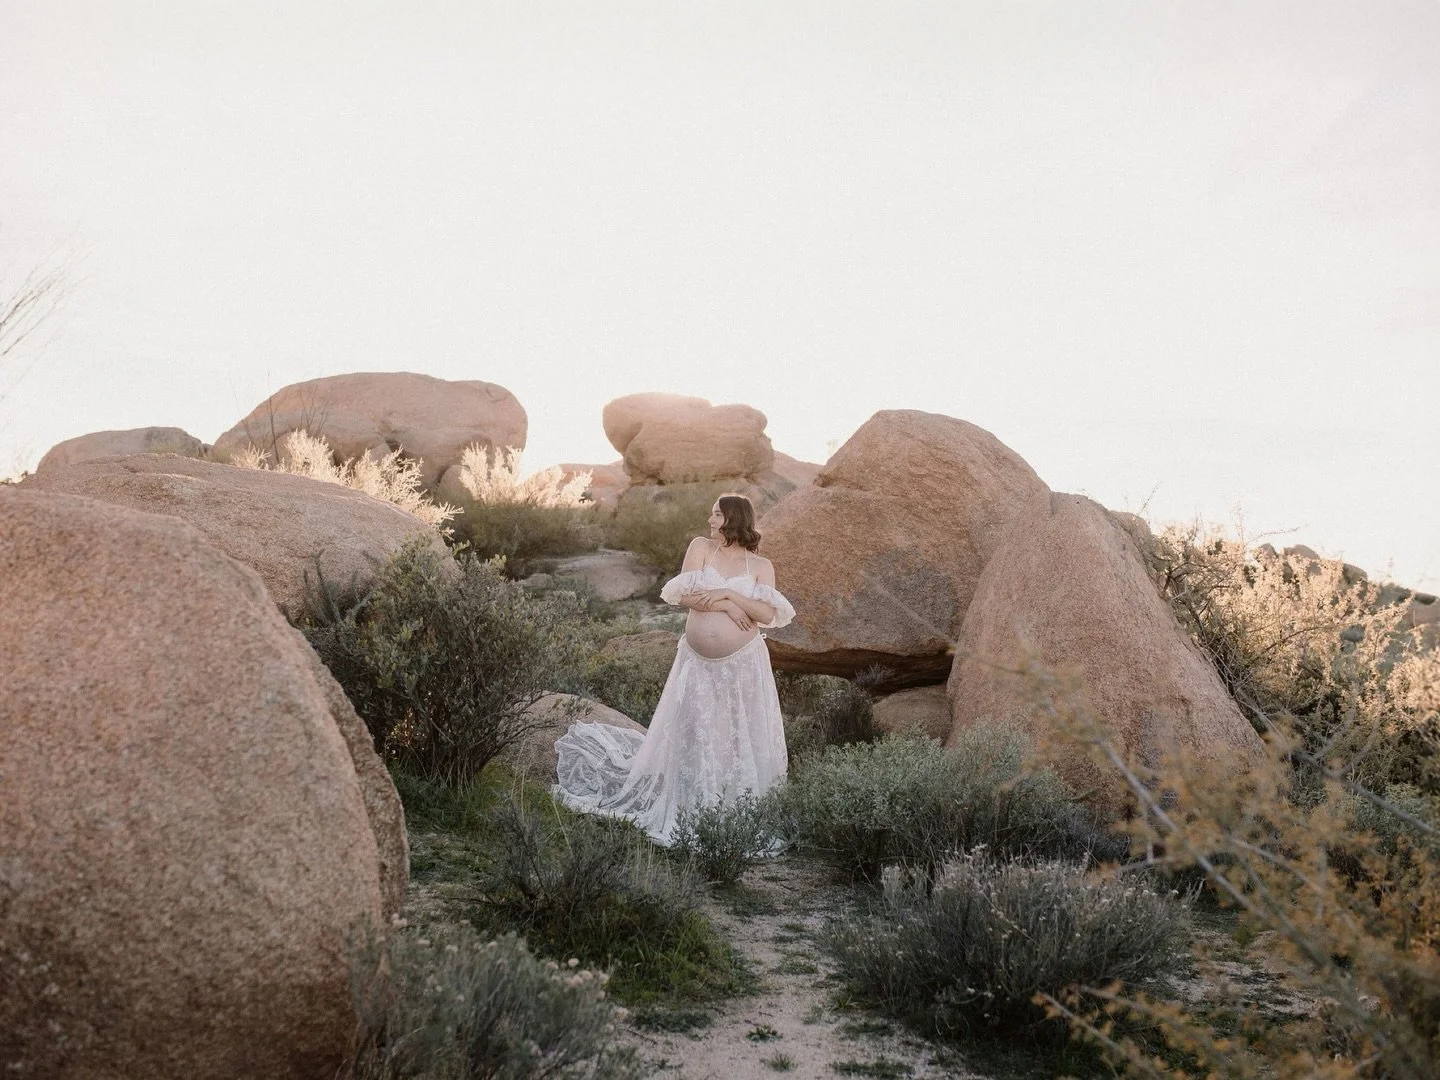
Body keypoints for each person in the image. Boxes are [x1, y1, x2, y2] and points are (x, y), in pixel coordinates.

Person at [553, 492, 795, 844]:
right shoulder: (700, 547)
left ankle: (733, 811)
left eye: (715, 515)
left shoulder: (760, 566)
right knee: (697, 728)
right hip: (697, 663)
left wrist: (731, 598)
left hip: (743, 666)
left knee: (734, 736)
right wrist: (726, 608)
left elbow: (767, 614)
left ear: (733, 518)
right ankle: (693, 807)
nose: (710, 520)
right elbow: (681, 594)